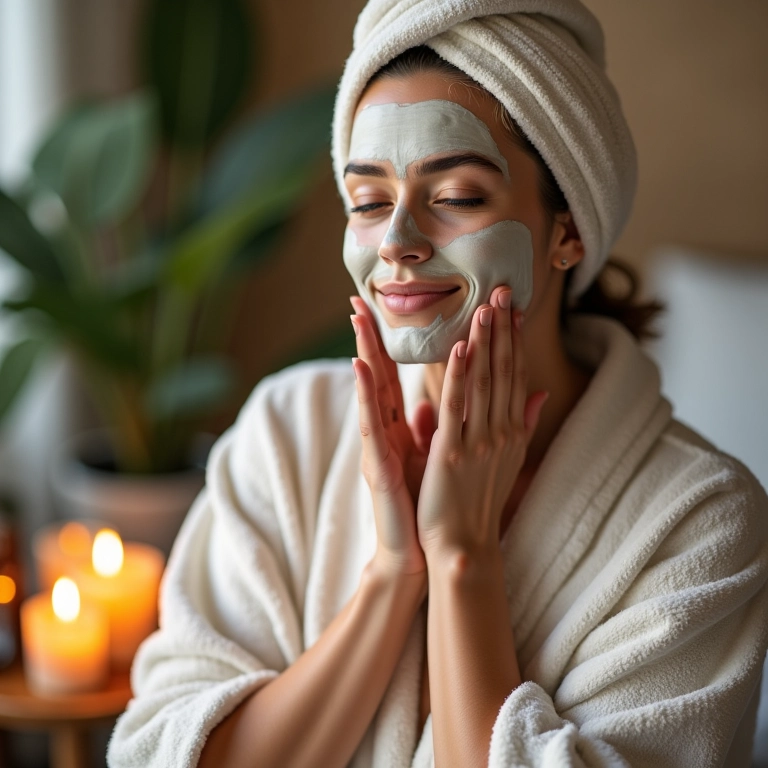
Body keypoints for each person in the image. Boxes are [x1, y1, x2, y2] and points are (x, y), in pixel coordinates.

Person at [108, 1, 768, 766]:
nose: (396, 243)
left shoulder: (699, 521)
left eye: (455, 198)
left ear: (569, 229)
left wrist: (463, 557)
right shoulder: (285, 432)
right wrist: (392, 576)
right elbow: (166, 751)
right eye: (368, 201)